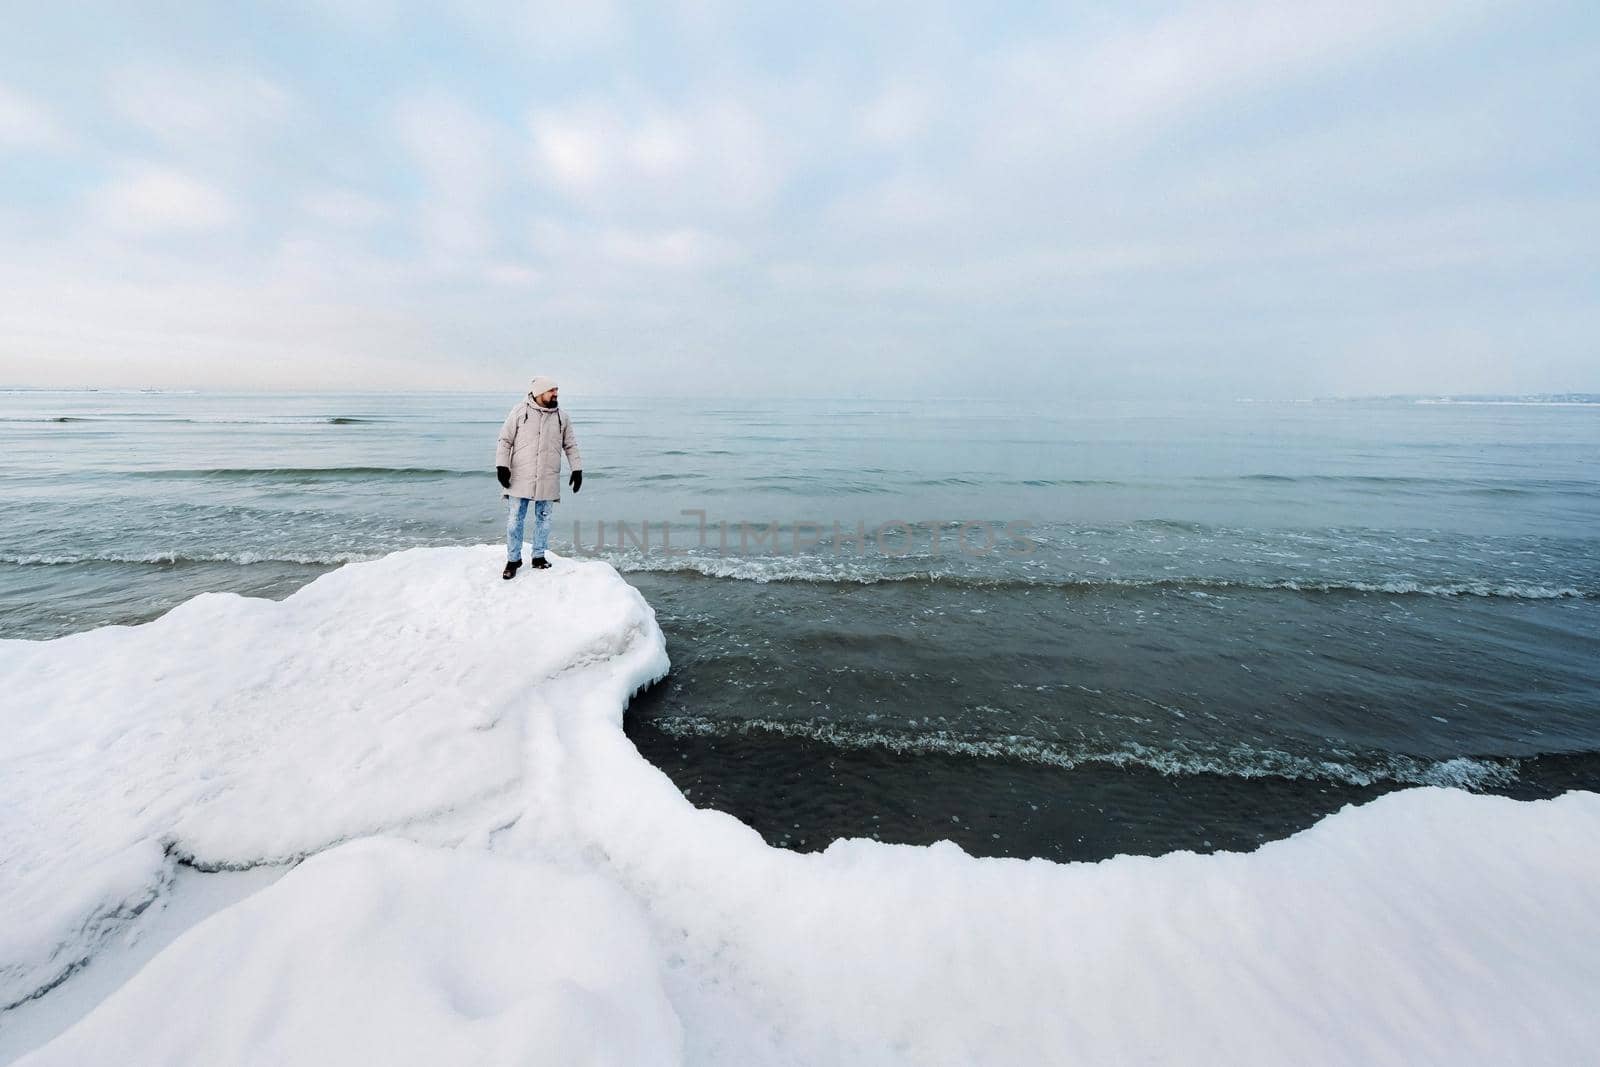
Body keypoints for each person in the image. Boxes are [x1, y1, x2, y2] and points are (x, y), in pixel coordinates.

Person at [495, 376, 583, 579]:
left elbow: (570, 445)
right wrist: (502, 466)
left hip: (547, 476)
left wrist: (576, 469)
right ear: (539, 392)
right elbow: (505, 440)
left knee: (544, 519)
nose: (556, 394)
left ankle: (538, 556)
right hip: (520, 476)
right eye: (552, 390)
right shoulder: (519, 411)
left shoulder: (562, 417)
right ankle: (513, 559)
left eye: (556, 390)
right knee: (515, 519)